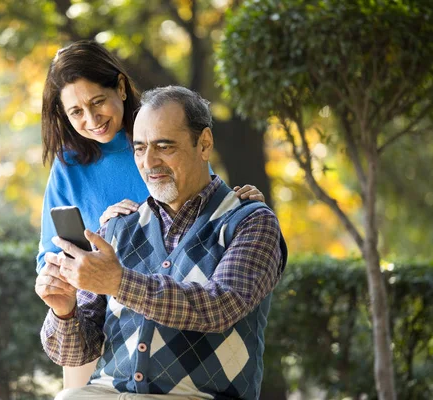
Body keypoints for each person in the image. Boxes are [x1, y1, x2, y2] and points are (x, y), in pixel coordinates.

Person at [36, 40, 265, 388]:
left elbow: (199, 201)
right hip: (101, 307)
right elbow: (50, 255)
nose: (91, 119)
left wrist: (238, 202)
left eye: (98, 102)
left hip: (173, 308)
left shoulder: (157, 131)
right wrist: (65, 287)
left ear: (121, 87)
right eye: (76, 112)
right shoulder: (69, 164)